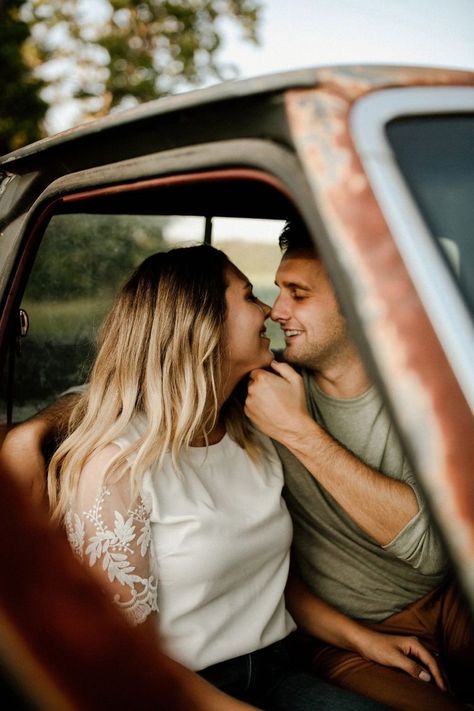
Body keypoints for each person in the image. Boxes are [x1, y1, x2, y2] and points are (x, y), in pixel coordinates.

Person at [4, 244, 444, 710]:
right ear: (202, 322)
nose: (271, 312)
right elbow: (132, 660)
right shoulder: (117, 466)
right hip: (186, 690)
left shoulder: (255, 425)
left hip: (280, 668)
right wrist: (29, 434)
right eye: (251, 296)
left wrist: (364, 640)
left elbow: (266, 579)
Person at [244, 219, 474, 710]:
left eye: (298, 294)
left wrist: (299, 433)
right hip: (349, 632)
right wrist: (40, 428)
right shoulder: (260, 388)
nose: (275, 311)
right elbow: (151, 389)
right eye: (277, 290)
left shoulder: (424, 386)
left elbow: (429, 550)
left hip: (454, 595)